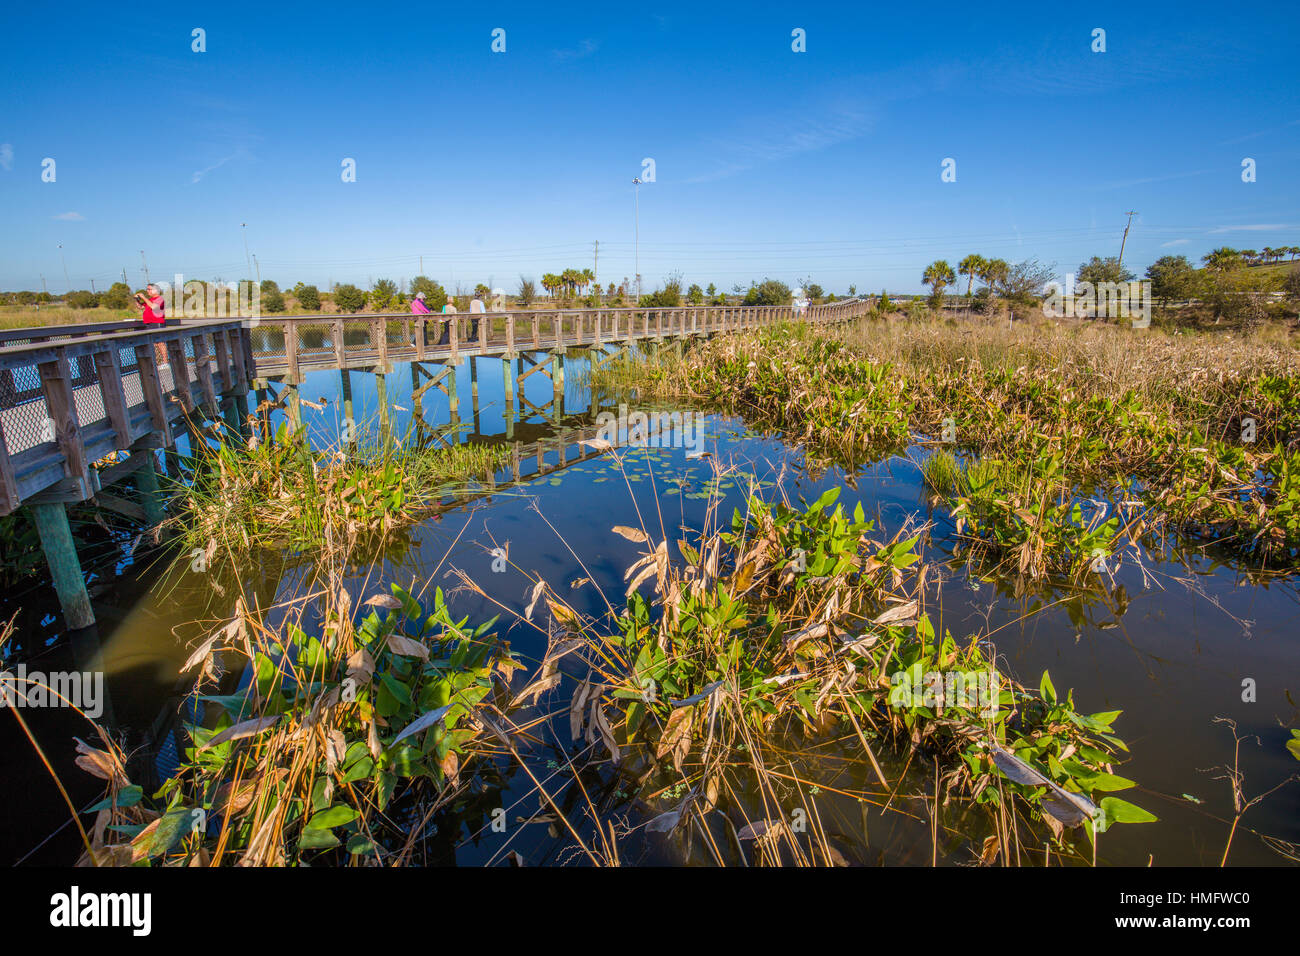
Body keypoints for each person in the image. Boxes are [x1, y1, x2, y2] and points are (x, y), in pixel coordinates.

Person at [135, 283, 169, 366]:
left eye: (149, 289)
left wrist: (143, 297)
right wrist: (137, 300)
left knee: (160, 343)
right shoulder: (149, 300)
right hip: (149, 323)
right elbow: (140, 307)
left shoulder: (159, 299)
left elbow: (154, 307)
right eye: (147, 289)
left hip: (157, 323)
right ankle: (157, 362)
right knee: (154, 343)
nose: (147, 291)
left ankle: (165, 362)